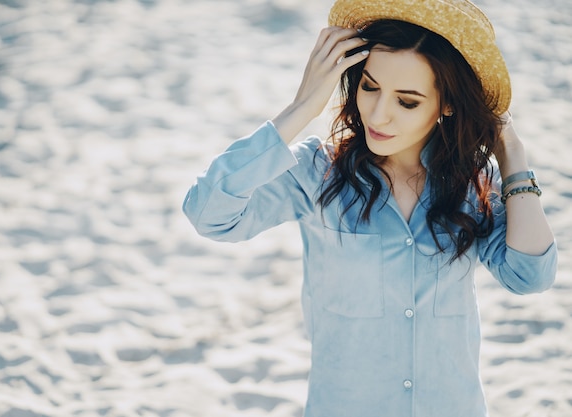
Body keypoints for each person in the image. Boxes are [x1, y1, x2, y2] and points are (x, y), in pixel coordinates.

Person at [182, 0, 558, 415]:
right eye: (370, 86)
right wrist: (301, 108)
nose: (378, 114)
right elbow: (208, 214)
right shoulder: (317, 172)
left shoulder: (470, 182)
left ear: (446, 105)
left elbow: (529, 276)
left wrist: (513, 160)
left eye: (407, 101)